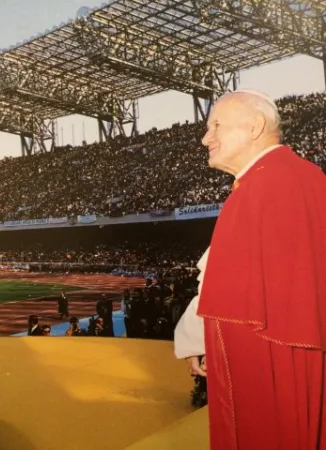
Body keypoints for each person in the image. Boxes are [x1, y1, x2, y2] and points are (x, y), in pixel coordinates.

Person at [174, 89, 326, 449]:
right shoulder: (288, 179)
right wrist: (196, 335)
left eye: (216, 125)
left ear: (255, 126)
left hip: (272, 367)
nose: (205, 137)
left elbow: (226, 286)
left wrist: (197, 337)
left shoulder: (269, 185)